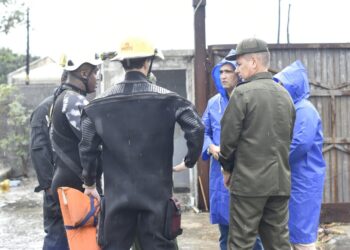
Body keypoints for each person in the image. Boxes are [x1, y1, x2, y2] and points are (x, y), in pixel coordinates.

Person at [79, 37, 204, 250]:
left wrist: (89, 183)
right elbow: (196, 128)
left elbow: (87, 147)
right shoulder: (171, 100)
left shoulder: (96, 106)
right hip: (156, 201)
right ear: (148, 63)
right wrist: (189, 160)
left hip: (117, 203)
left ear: (122, 63)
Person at [218, 38, 295, 250]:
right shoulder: (285, 95)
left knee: (241, 242)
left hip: (248, 184)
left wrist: (227, 168)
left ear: (253, 62)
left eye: (240, 65)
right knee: (278, 243)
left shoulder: (242, 93)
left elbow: (228, 140)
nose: (238, 71)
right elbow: (287, 138)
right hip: (279, 183)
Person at [202, 49, 263, 250]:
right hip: (219, 173)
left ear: (238, 73)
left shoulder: (250, 99)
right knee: (225, 233)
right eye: (221, 72)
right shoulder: (213, 104)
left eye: (228, 71)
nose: (224, 76)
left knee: (251, 232)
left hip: (244, 170)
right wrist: (211, 147)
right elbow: (203, 131)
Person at [49, 54, 103, 249]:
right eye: (95, 73)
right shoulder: (75, 101)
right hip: (77, 185)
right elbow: (92, 143)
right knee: (83, 243)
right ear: (83, 72)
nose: (97, 78)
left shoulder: (61, 98)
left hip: (66, 180)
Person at [273, 60, 326, 250]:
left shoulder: (304, 109)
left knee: (302, 236)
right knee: (294, 231)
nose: (279, 89)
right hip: (296, 176)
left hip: (304, 177)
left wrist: (274, 162)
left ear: (293, 85)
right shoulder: (294, 108)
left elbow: (300, 143)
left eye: (282, 84)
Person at [29, 71, 68, 250]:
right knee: (57, 233)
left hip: (76, 186)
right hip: (55, 187)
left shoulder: (76, 105)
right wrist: (49, 187)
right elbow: (38, 150)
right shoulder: (45, 109)